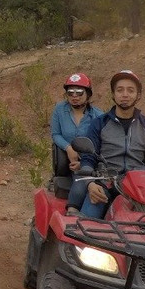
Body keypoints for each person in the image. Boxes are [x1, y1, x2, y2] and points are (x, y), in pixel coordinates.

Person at [78, 70, 145, 220]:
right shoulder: (99, 123)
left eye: (130, 90)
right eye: (120, 90)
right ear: (113, 95)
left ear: (138, 95)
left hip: (141, 185)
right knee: (85, 224)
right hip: (108, 181)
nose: (125, 94)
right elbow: (88, 157)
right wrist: (90, 183)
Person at [50, 73, 104, 213]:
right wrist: (68, 148)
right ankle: (72, 212)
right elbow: (56, 134)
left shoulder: (98, 116)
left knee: (84, 178)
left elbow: (102, 142)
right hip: (67, 158)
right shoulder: (59, 110)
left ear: (88, 94)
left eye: (79, 92)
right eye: (70, 92)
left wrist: (84, 161)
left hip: (90, 160)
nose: (74, 96)